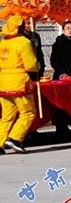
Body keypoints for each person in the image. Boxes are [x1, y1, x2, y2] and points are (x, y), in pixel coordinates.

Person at [0, 15, 41, 154]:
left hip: (3, 81)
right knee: (28, 112)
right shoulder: (23, 42)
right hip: (18, 81)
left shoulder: (2, 42)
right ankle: (15, 138)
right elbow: (31, 65)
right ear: (20, 27)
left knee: (7, 116)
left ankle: (0, 141)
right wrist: (37, 65)